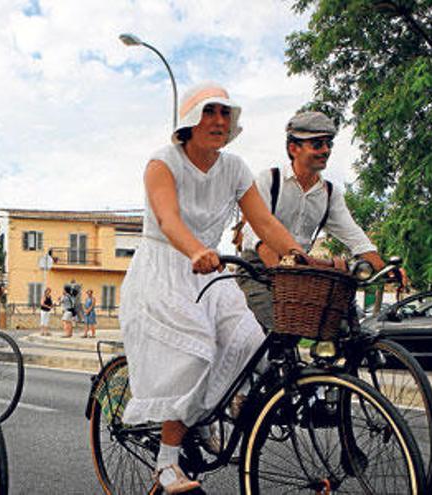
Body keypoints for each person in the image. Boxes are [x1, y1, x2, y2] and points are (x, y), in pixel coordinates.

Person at [119, 82, 304, 493]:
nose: (219, 121)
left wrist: (299, 255)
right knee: (196, 350)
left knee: (247, 339)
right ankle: (167, 464)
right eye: (210, 112)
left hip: (212, 273)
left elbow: (265, 224)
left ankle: (197, 417)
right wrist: (197, 250)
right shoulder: (162, 163)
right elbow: (168, 220)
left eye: (226, 114)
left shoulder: (235, 168)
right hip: (166, 268)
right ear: (189, 119)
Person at [236, 111, 386, 331]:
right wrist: (276, 265)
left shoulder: (329, 193)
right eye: (317, 144)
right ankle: (266, 364)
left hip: (301, 272)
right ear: (293, 148)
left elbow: (353, 234)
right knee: (280, 328)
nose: (326, 150)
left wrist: (383, 266)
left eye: (328, 144)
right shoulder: (270, 179)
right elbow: (254, 229)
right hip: (258, 269)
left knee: (339, 326)